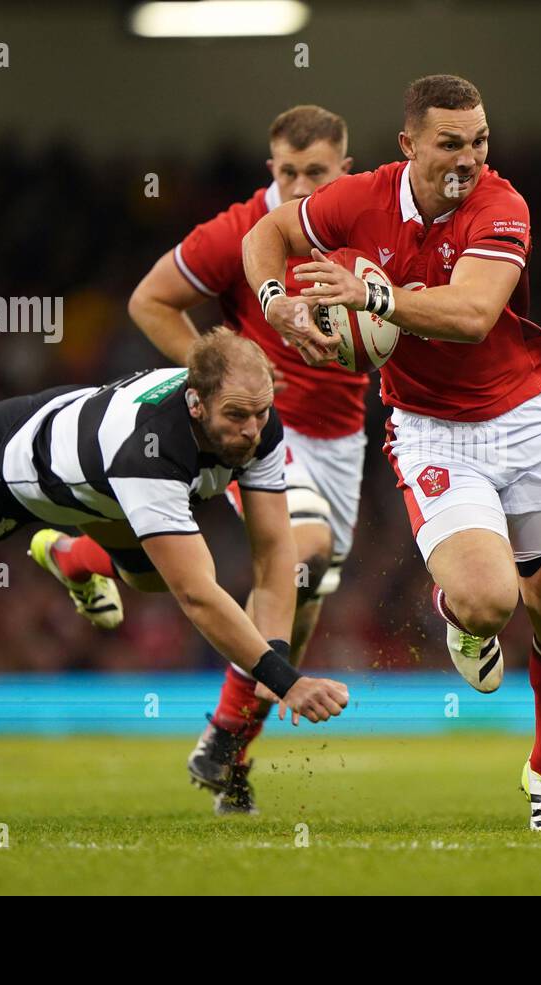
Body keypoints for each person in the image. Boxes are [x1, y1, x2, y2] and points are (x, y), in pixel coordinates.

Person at [243, 74, 541, 831]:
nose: (468, 159)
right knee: (489, 599)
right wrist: (279, 303)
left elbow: (470, 315)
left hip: (525, 413)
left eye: (480, 142)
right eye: (449, 144)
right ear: (409, 146)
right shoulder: (360, 198)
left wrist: (371, 297)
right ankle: (458, 614)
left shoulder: (503, 205)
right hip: (433, 427)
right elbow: (264, 235)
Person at [0, 331, 349, 727]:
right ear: (195, 401)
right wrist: (286, 680)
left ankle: (73, 556)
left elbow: (275, 551)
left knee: (151, 578)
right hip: (3, 465)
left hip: (90, 486)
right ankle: (71, 550)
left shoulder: (257, 422)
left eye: (260, 413)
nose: (253, 430)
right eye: (236, 416)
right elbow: (199, 595)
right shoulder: (150, 452)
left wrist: (272, 660)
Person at [122, 105, 367, 813]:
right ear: (270, 169)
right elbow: (150, 302)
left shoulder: (362, 223)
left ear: (342, 171)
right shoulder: (238, 232)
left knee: (299, 605)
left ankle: (228, 750)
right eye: (286, 172)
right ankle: (225, 738)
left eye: (314, 173)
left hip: (342, 445)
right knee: (301, 551)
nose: (297, 186)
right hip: (265, 434)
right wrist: (227, 371)